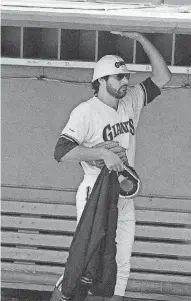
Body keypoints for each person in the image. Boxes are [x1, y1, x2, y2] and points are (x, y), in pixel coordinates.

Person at [54, 32, 171, 301]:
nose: (125, 81)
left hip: (123, 194)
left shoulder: (130, 100)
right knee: (86, 259)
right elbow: (61, 151)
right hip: (95, 193)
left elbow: (163, 77)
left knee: (121, 263)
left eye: (127, 76)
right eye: (119, 77)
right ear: (101, 80)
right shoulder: (86, 111)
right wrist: (100, 153)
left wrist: (141, 39)